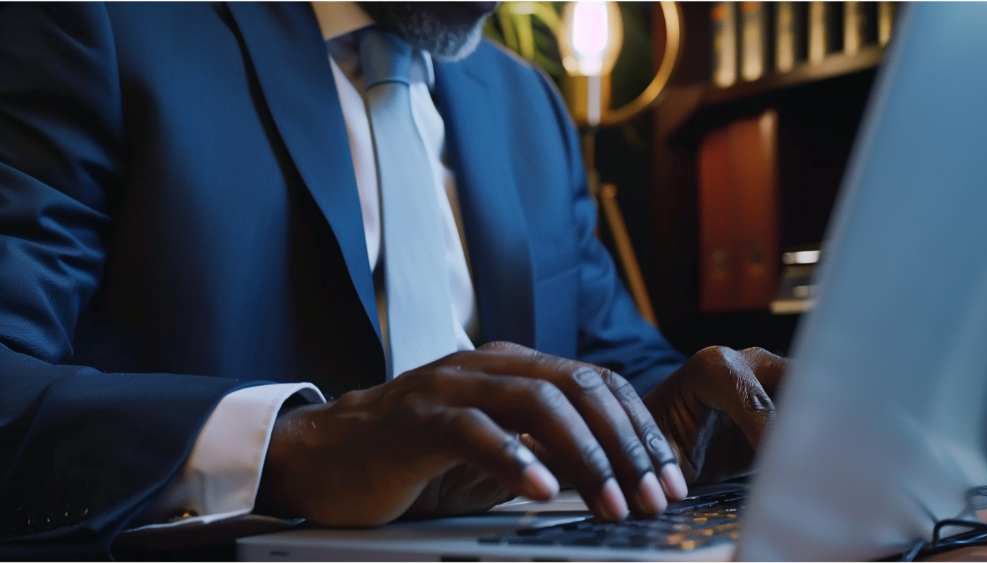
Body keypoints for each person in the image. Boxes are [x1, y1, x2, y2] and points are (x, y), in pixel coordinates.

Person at [0, 1, 784, 559]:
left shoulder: (526, 103)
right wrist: (293, 451)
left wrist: (682, 426)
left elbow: (619, 363)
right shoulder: (98, 22)